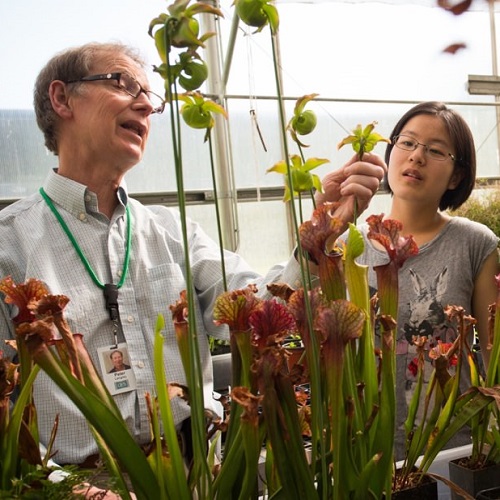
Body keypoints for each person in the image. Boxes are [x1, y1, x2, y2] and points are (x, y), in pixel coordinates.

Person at [0, 40, 386, 474]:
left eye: (150, 97)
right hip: (79, 485)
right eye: (124, 84)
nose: (146, 106)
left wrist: (321, 231)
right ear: (61, 98)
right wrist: (57, 486)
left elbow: (261, 309)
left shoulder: (172, 230)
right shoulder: (9, 244)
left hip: (198, 472)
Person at [352, 101, 499, 459]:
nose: (416, 156)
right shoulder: (349, 244)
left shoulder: (474, 243)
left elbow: (495, 352)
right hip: (366, 446)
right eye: (407, 143)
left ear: (455, 176)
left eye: (435, 150)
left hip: (452, 449)